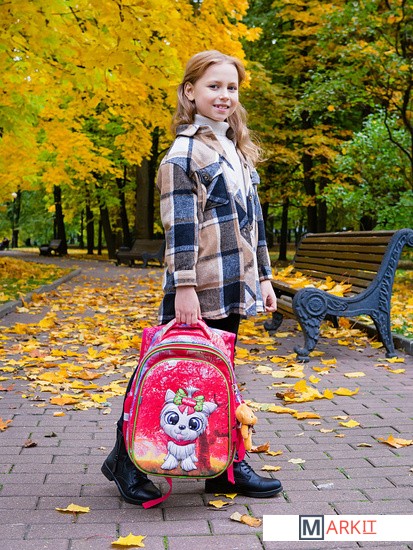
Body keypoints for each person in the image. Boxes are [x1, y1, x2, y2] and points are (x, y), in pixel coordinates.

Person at [102, 50, 283, 505]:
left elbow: (254, 224)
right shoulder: (183, 153)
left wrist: (264, 277)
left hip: (232, 283)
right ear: (190, 91)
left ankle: (223, 467)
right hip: (198, 287)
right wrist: (184, 287)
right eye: (213, 86)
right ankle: (126, 461)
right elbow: (180, 229)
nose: (224, 96)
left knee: (218, 375)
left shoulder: (235, 151)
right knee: (165, 370)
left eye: (231, 88)